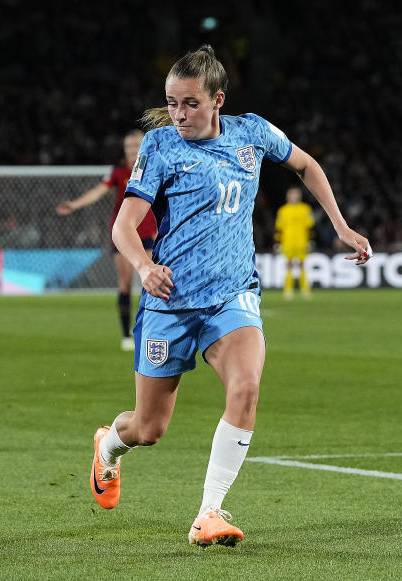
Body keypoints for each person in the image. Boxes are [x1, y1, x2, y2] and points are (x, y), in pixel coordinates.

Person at [88, 45, 372, 546]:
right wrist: (144, 266)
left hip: (231, 297)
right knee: (148, 429)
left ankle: (209, 513)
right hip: (169, 303)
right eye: (172, 103)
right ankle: (107, 448)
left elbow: (306, 165)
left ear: (218, 100)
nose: (179, 115)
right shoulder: (159, 147)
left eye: (190, 104)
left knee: (245, 387)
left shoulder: (252, 132)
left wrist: (340, 225)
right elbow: (124, 226)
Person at [57, 130, 158, 351]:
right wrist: (74, 204)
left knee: (150, 283)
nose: (132, 151)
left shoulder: (154, 167)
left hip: (150, 233)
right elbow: (98, 191)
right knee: (124, 283)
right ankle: (125, 335)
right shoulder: (118, 172)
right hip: (124, 234)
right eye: (129, 147)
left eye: (136, 146)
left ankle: (150, 331)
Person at [275, 186, 315, 299]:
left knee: (302, 265)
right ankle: (288, 289)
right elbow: (279, 228)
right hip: (287, 241)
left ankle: (305, 289)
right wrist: (277, 242)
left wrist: (310, 241)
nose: (294, 197)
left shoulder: (305, 209)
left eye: (296, 194)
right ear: (288, 196)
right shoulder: (282, 210)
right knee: (289, 265)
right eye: (292, 194)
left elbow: (310, 227)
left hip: (302, 241)